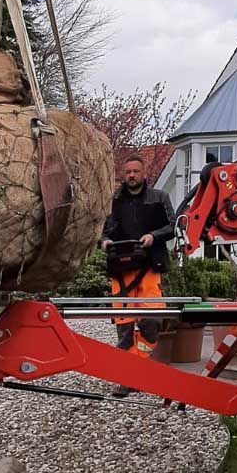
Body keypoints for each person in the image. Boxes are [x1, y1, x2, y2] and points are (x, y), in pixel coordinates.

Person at [102, 153, 175, 397]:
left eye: (136, 171)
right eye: (128, 172)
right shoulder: (114, 201)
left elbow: (173, 226)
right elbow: (102, 231)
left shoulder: (159, 198)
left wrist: (154, 236)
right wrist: (104, 242)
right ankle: (126, 377)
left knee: (151, 322)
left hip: (150, 268)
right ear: (124, 175)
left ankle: (138, 368)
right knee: (124, 326)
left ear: (144, 174)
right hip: (121, 271)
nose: (131, 175)